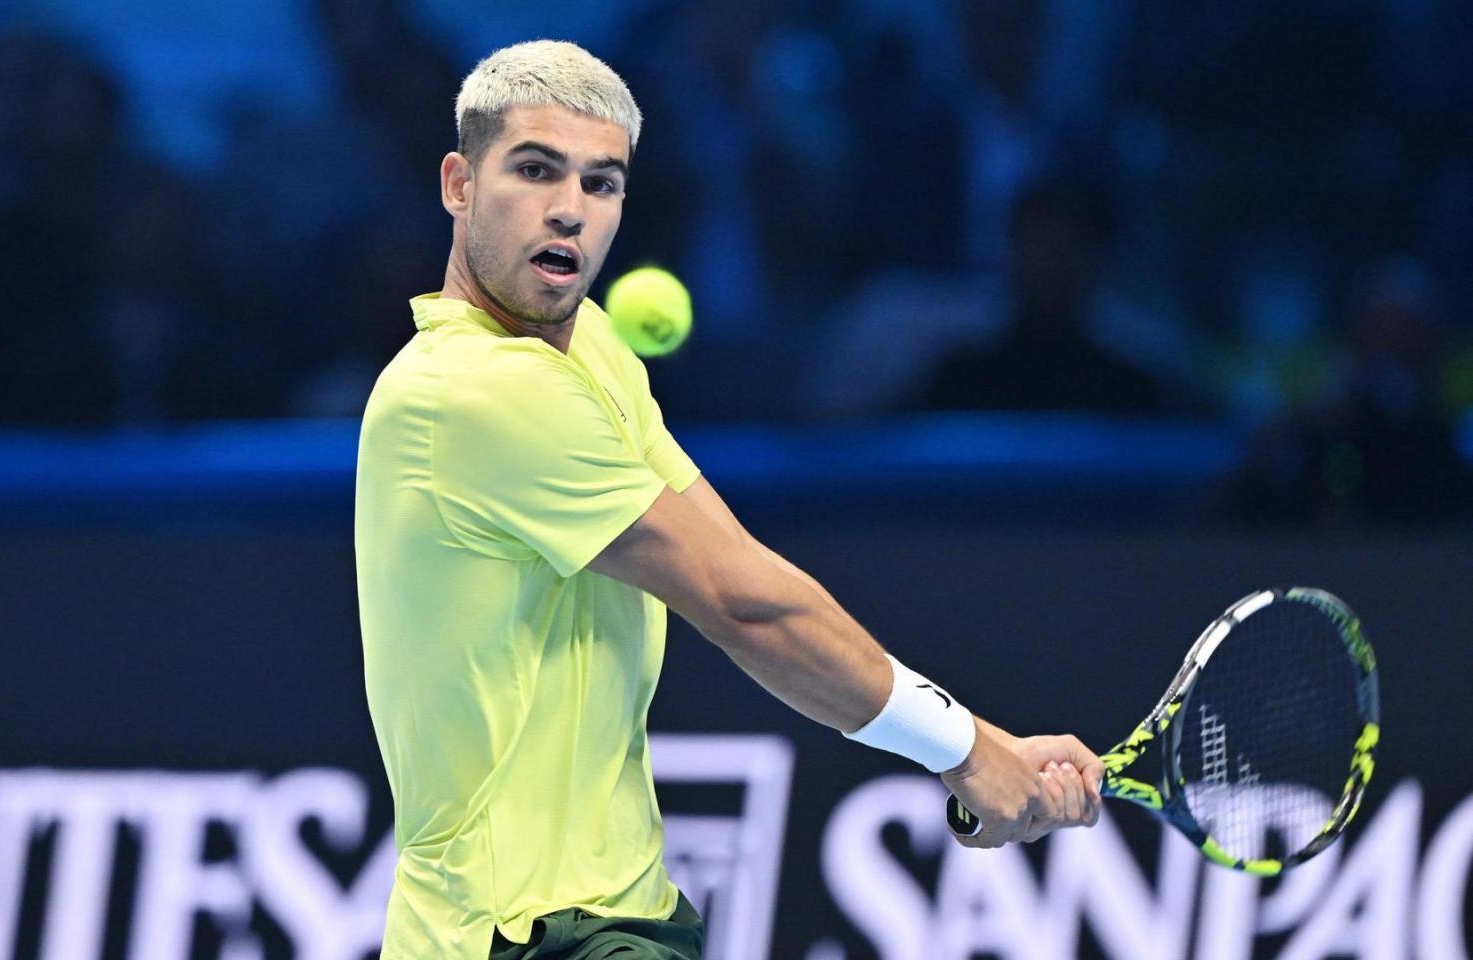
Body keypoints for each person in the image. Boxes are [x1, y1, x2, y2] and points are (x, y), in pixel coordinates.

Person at [354, 40, 1104, 960]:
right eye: (535, 170)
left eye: (602, 183)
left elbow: (738, 561)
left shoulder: (588, 346)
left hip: (626, 913)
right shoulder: (469, 390)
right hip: (516, 936)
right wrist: (961, 750)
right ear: (459, 184)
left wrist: (983, 742)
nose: (569, 210)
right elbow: (744, 607)